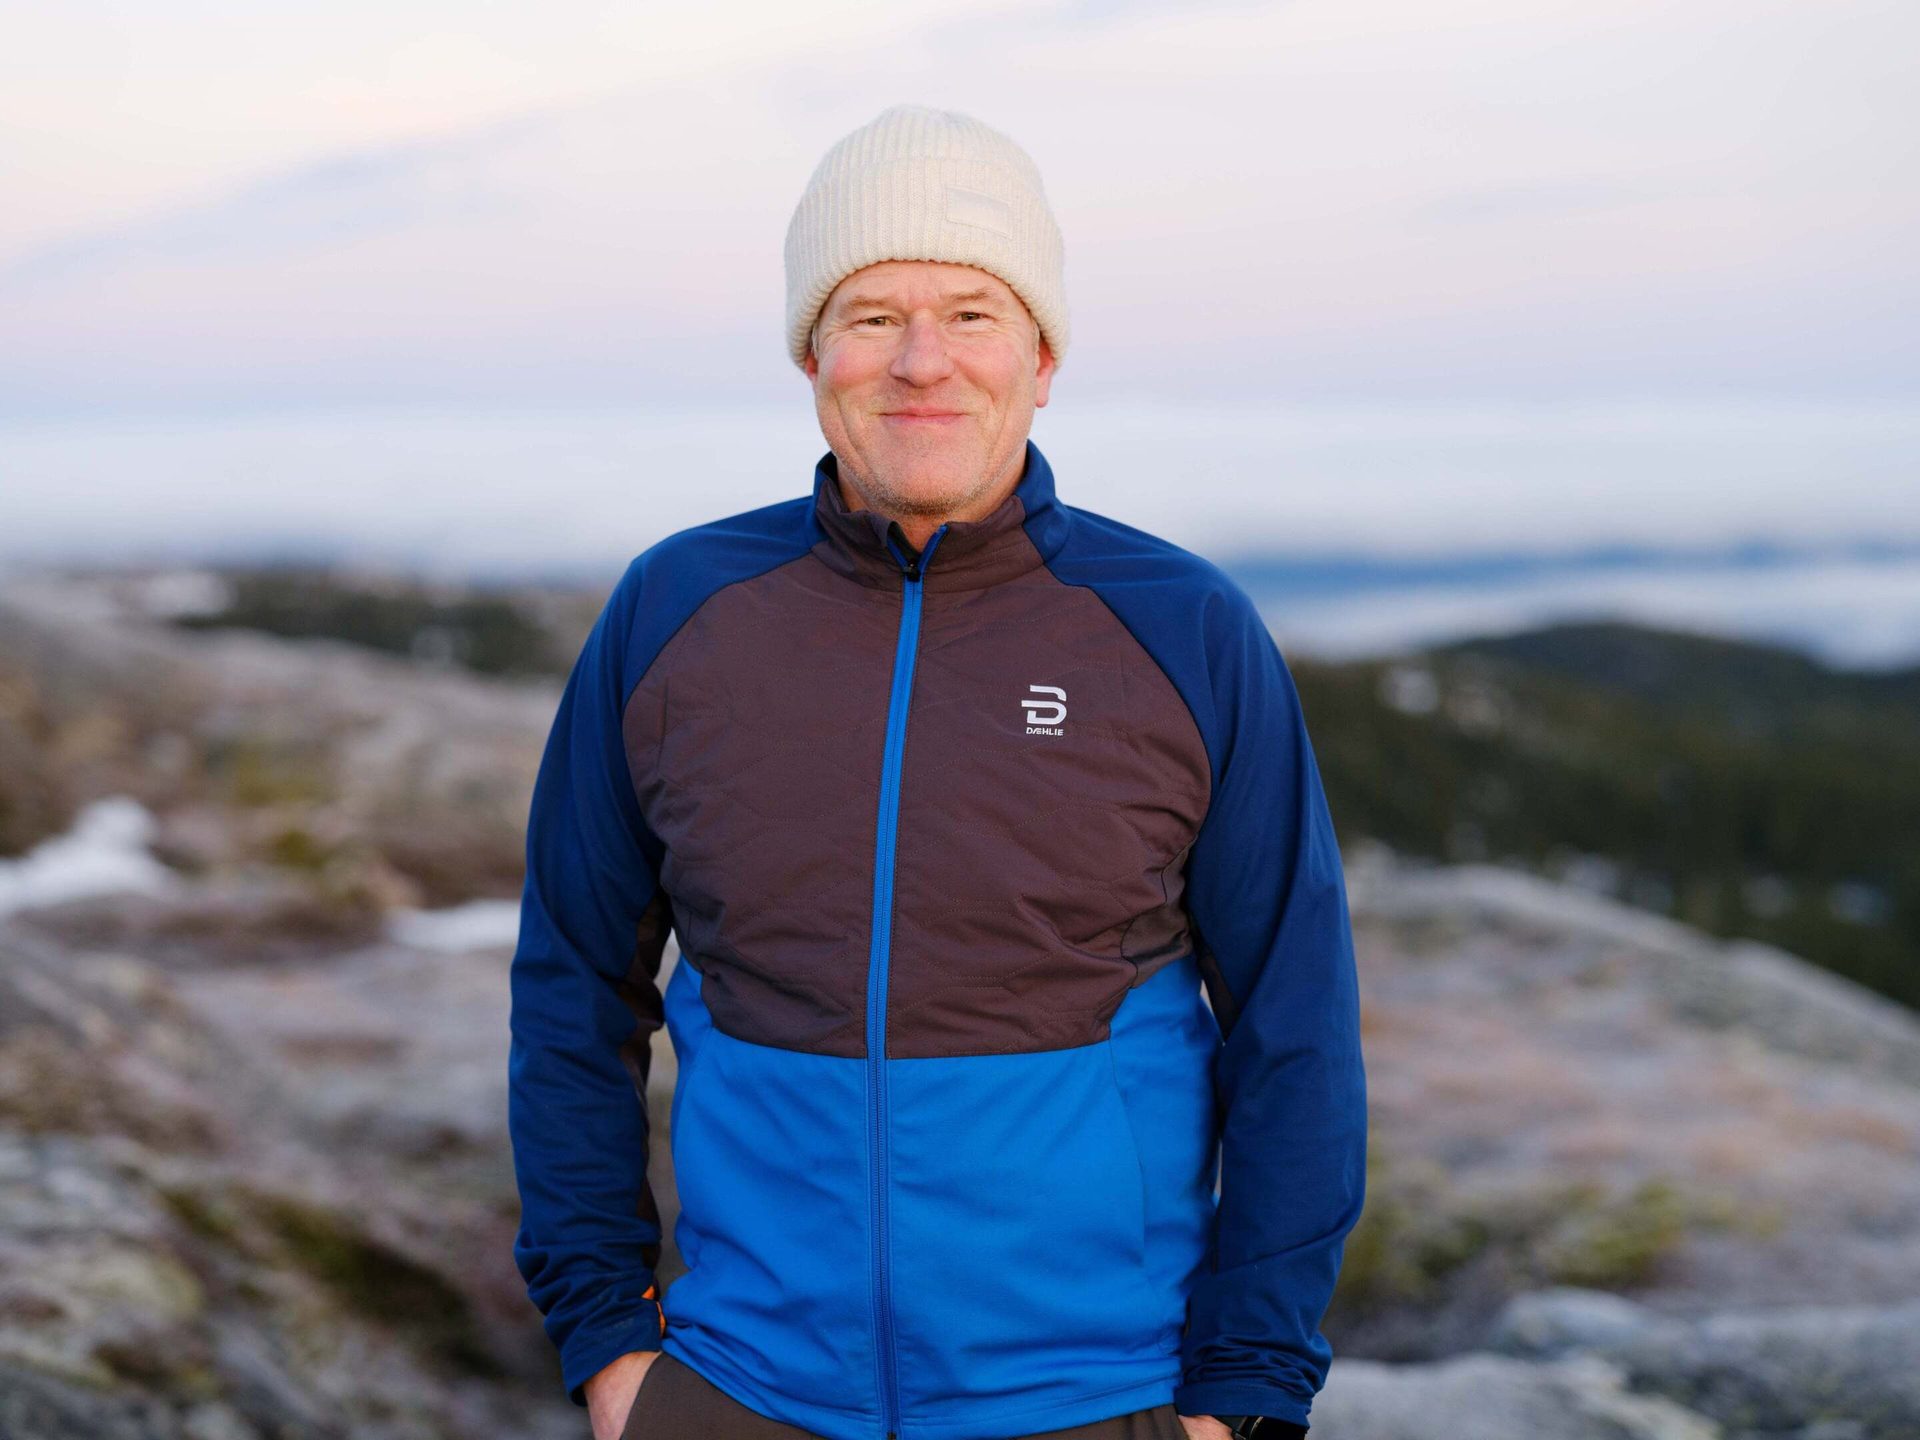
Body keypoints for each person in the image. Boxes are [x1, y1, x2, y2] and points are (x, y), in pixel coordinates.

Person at [507, 102, 1368, 1440]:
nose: (922, 362)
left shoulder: (1183, 630)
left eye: (971, 313)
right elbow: (573, 991)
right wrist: (610, 1345)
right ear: (811, 353)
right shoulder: (674, 617)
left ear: (1042, 352)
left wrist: (1240, 1398)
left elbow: (1296, 1026)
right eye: (869, 315)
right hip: (740, 1394)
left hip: (1099, 1400)